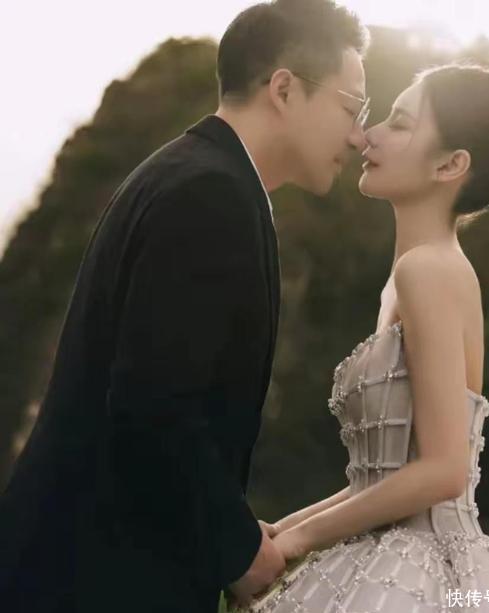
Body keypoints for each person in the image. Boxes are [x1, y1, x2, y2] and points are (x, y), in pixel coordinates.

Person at [0, 1, 369, 611]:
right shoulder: (210, 195)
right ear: (283, 89)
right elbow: (154, 407)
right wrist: (237, 550)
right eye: (352, 108)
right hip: (96, 579)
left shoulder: (190, 172)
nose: (357, 136)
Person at [237, 64, 489, 612]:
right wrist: (282, 531)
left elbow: (444, 470)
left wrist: (298, 543)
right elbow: (380, 479)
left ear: (451, 164)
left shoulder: (429, 270)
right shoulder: (409, 275)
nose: (369, 134)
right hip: (388, 551)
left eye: (400, 124)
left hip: (425, 567)